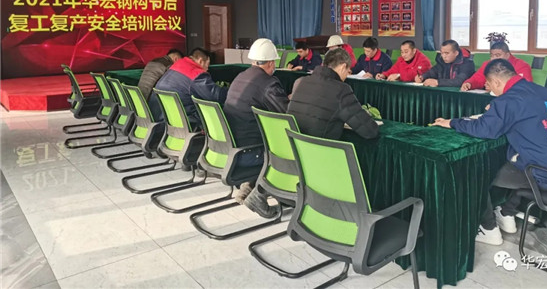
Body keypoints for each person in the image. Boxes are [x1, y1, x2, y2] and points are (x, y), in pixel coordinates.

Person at [433, 59, 547, 245]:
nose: (489, 88)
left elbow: (485, 129)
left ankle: (488, 229)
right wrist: (497, 109)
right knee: (510, 163)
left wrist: (452, 122)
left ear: (496, 82)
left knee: (475, 174)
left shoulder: (508, 101)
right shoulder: (542, 91)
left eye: (488, 84)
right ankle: (506, 213)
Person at [223, 38, 289, 218]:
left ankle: (249, 186)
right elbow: (286, 114)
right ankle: (259, 196)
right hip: (250, 152)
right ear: (271, 63)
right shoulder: (268, 83)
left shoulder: (240, 77)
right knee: (286, 150)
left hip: (232, 147)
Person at [288, 48, 379, 140]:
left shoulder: (300, 82)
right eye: (348, 71)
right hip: (323, 146)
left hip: (295, 145)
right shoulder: (341, 90)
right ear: (343, 67)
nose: (346, 76)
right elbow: (369, 130)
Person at [150, 47, 227, 131]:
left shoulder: (177, 65)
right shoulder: (196, 74)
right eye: (207, 65)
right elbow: (216, 96)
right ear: (200, 61)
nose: (207, 69)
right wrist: (233, 91)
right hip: (185, 121)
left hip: (163, 117)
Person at [461, 41, 532, 91]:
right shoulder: (488, 64)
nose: (494, 58)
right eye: (492, 55)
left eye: (498, 55)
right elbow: (477, 78)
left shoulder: (522, 66)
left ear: (507, 55)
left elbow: (523, 87)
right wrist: (469, 83)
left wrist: (495, 88)